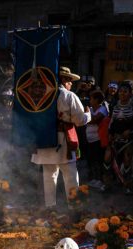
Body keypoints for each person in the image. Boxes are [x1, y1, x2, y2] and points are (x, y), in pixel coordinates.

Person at [31, 66, 91, 209]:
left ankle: (49, 207)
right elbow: (79, 120)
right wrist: (89, 115)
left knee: (49, 175)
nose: (71, 84)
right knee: (70, 175)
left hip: (44, 138)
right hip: (63, 139)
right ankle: (74, 207)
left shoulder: (41, 93)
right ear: (64, 80)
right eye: (70, 81)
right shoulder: (68, 96)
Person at [106, 80, 133, 193]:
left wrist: (131, 131)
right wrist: (110, 133)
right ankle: (108, 182)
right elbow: (111, 121)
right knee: (107, 157)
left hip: (129, 138)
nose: (122, 94)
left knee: (127, 159)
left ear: (130, 93)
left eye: (125, 92)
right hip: (116, 137)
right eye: (120, 92)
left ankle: (127, 184)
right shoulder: (114, 104)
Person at [86, 90, 108, 191]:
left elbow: (95, 120)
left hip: (98, 139)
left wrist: (87, 117)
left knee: (99, 160)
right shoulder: (89, 109)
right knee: (92, 160)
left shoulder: (103, 109)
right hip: (89, 139)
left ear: (97, 100)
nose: (89, 100)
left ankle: (101, 180)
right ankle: (95, 179)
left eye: (91, 98)